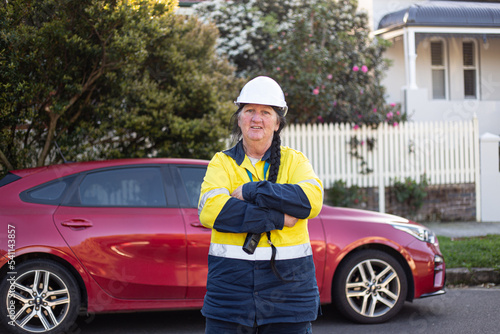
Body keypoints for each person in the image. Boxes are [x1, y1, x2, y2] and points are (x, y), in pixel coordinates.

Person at [198, 76, 324, 334]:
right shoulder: (221, 163)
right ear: (239, 118)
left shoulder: (295, 162)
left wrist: (251, 190)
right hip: (230, 295)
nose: (257, 118)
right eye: (250, 111)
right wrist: (278, 219)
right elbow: (211, 210)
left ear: (277, 123)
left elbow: (310, 201)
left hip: (289, 295)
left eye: (266, 112)